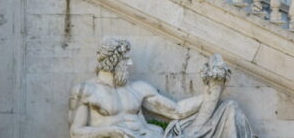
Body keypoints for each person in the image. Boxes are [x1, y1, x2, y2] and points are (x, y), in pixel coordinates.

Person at [69, 38, 256, 138]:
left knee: (228, 108)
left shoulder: (138, 88)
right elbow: (76, 132)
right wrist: (112, 131)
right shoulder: (86, 91)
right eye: (126, 60)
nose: (130, 63)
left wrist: (210, 93)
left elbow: (177, 111)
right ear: (113, 61)